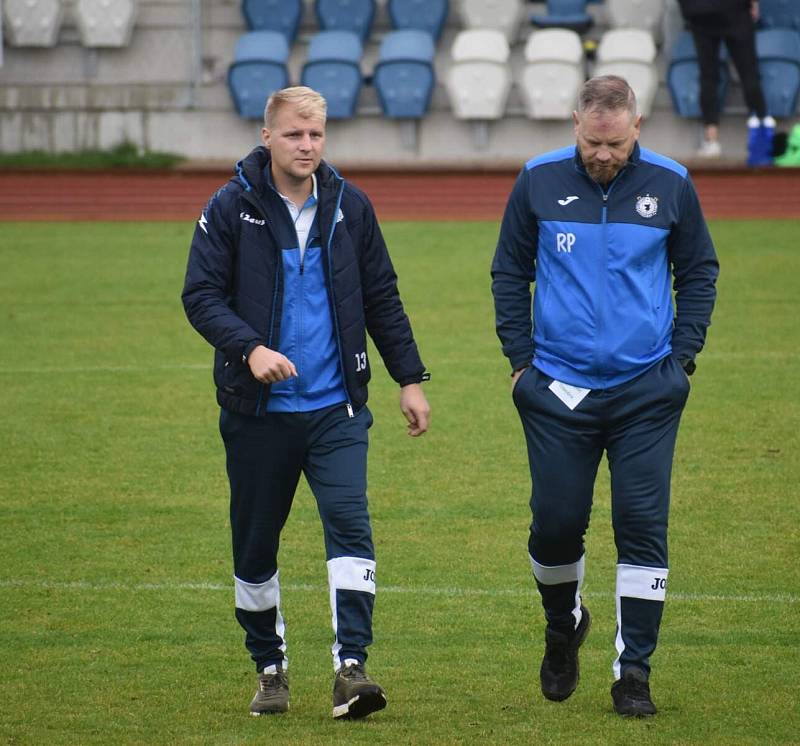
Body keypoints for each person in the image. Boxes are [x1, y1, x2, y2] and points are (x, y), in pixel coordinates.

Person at [182, 86, 430, 720]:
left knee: (351, 528)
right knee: (256, 544)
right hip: (258, 413)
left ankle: (352, 668)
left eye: (316, 135)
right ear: (267, 136)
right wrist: (249, 350)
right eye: (294, 134)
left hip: (335, 408)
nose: (307, 146)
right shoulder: (228, 207)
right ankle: (269, 667)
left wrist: (408, 377)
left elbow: (381, 295)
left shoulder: (350, 207)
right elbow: (201, 296)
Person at [491, 75, 718, 717]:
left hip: (647, 389)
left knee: (642, 526)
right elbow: (510, 270)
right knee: (556, 526)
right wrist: (519, 364)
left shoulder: (672, 183)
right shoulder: (536, 179)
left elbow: (698, 270)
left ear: (636, 128)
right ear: (576, 125)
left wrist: (682, 360)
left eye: (616, 145)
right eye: (593, 143)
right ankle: (562, 625)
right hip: (557, 390)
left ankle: (634, 673)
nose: (604, 156)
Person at [678, 0, 775, 162]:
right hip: (733, 10)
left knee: (708, 76)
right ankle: (763, 141)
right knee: (749, 73)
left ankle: (712, 140)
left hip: (699, 12)